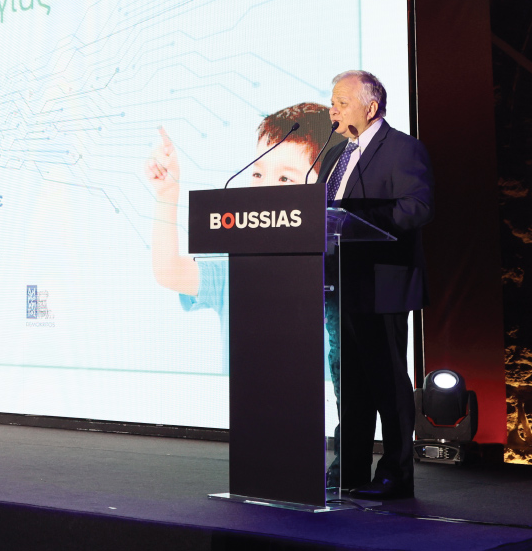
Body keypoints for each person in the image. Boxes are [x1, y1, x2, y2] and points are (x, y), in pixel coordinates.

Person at [145, 103, 339, 372]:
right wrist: (167, 194)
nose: (265, 187)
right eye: (258, 173)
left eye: (285, 178)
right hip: (247, 398)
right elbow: (169, 271)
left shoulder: (340, 269)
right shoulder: (237, 264)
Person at [317, 70, 433, 500]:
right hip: (340, 283)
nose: (333, 110)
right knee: (348, 382)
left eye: (341, 102)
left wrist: (356, 218)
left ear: (371, 106)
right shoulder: (334, 155)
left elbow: (416, 208)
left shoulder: (403, 148)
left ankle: (396, 473)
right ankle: (348, 467)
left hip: (382, 282)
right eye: (332, 102)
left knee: (387, 382)